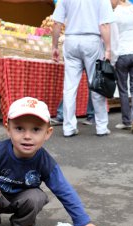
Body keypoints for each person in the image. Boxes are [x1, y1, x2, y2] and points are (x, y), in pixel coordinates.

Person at [0, 97, 102, 226]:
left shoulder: (45, 162)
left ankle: (23, 224)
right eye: (19, 128)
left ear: (48, 133)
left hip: (22, 200)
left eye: (36, 129)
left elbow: (64, 190)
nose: (27, 136)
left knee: (37, 196)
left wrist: (84, 223)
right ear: (8, 129)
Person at [52, 0, 114, 137]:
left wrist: (54, 46)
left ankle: (68, 127)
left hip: (71, 40)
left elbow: (57, 23)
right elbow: (104, 25)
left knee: (69, 87)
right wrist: (108, 49)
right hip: (92, 40)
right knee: (96, 83)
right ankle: (101, 127)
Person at [112, 0, 133, 134]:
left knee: (123, 89)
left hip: (122, 53)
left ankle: (126, 121)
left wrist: (113, 59)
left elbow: (114, 38)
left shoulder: (115, 14)